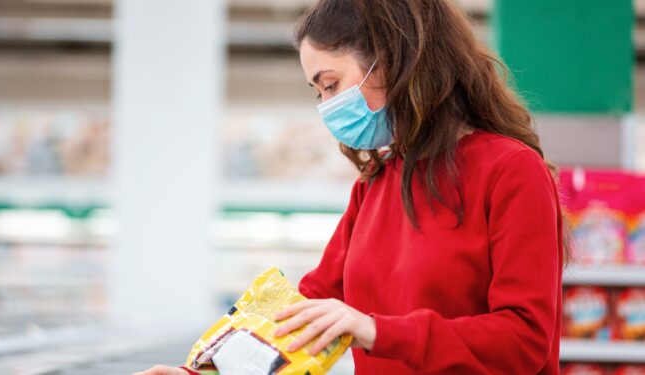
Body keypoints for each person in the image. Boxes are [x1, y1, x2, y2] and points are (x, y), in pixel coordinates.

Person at [135, 0, 569, 373]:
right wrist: (202, 372)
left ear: (396, 59)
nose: (327, 108)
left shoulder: (511, 171)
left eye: (331, 85)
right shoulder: (377, 184)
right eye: (318, 93)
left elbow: (524, 340)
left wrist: (377, 330)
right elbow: (302, 312)